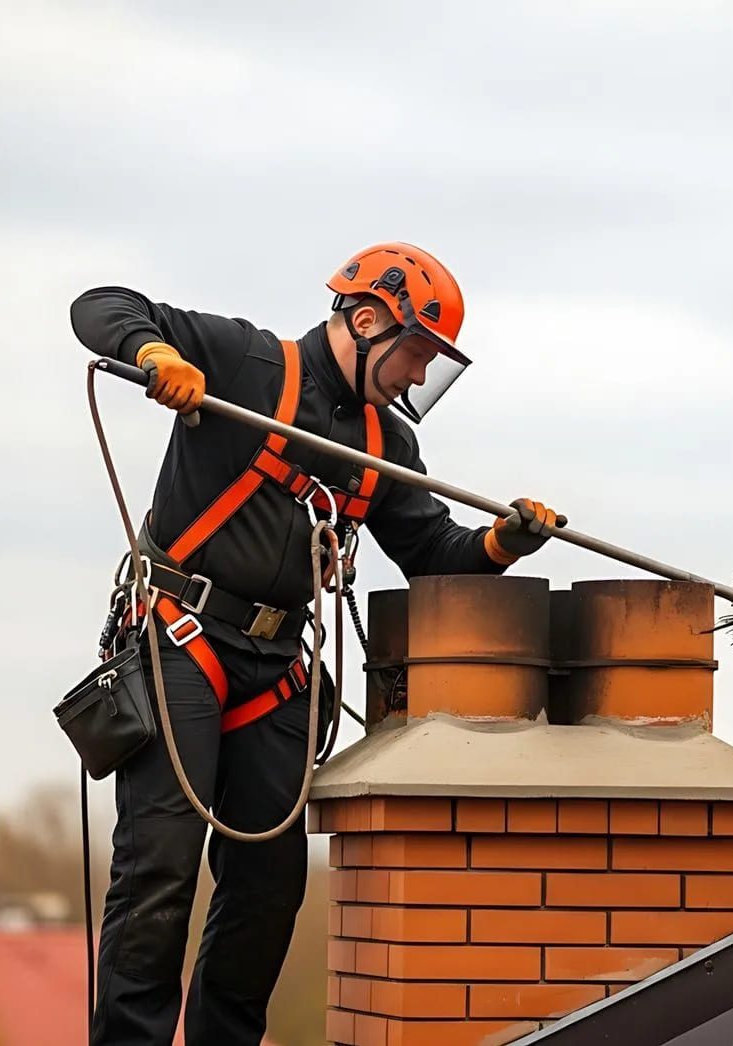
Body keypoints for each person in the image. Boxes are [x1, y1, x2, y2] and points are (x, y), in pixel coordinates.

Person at [69, 242, 561, 1045]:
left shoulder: (384, 445)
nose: (413, 377)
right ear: (365, 320)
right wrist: (155, 354)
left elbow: (434, 552)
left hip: (275, 668)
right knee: (159, 863)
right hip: (180, 637)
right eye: (412, 354)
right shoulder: (244, 361)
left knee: (268, 886)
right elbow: (100, 304)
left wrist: (504, 543)